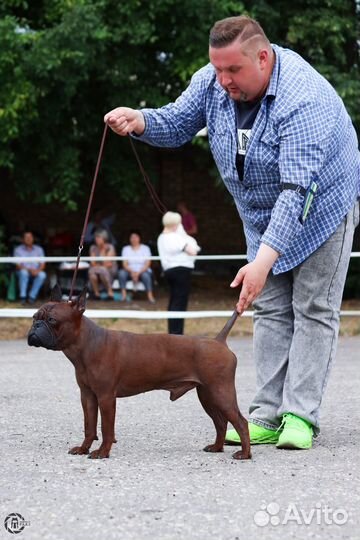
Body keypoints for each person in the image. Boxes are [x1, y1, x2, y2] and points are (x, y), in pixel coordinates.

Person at [104, 15, 360, 449]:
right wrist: (140, 121)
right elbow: (177, 122)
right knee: (271, 309)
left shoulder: (303, 98)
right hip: (260, 211)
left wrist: (262, 260)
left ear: (263, 57)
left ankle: (299, 415)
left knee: (313, 307)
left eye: (232, 71)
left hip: (321, 207)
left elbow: (297, 190)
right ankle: (265, 414)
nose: (222, 80)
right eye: (217, 69)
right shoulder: (212, 79)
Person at [157, 212, 200, 335]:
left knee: (174, 301)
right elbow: (192, 252)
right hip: (180, 271)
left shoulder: (161, 237)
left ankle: (173, 332)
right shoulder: (174, 237)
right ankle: (177, 333)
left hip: (169, 271)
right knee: (179, 302)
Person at [118, 230, 156, 303]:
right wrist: (132, 272)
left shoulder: (145, 248)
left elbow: (147, 263)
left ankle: (150, 296)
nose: (134, 239)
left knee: (146, 276)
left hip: (143, 270)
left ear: (139, 238)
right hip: (129, 270)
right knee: (121, 273)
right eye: (132, 237)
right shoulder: (126, 249)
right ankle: (124, 295)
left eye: (136, 237)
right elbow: (124, 264)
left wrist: (138, 273)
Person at [14, 231, 47, 305]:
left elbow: (43, 264)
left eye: (30, 237)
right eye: (26, 237)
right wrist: (29, 270)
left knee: (42, 275)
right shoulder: (18, 250)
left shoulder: (39, 249)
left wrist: (37, 271)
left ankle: (32, 297)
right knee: (24, 273)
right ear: (23, 239)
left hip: (35, 271)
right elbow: (17, 265)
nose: (28, 239)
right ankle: (23, 297)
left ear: (33, 238)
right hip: (23, 271)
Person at [88, 228, 117, 300]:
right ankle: (96, 294)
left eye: (99, 237)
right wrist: (98, 266)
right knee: (92, 273)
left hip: (109, 270)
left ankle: (110, 293)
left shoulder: (110, 247)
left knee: (102, 271)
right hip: (96, 269)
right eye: (96, 237)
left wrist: (103, 250)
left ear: (104, 238)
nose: (97, 239)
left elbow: (107, 262)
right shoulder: (93, 248)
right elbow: (93, 262)